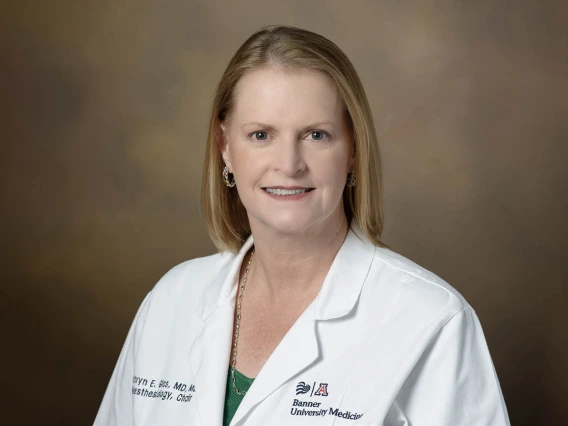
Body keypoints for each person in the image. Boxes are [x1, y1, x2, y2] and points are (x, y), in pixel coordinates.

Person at [94, 25, 510, 426]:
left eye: (316, 135)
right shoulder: (170, 301)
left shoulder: (431, 320)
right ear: (225, 148)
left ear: (352, 152)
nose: (289, 164)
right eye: (261, 135)